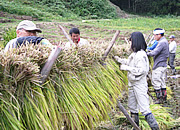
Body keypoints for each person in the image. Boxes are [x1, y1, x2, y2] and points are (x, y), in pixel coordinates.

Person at [114, 32, 159, 130]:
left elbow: (141, 70)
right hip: (132, 84)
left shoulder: (141, 55)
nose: (131, 43)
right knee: (132, 107)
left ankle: (155, 128)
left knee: (144, 108)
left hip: (139, 84)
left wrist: (126, 68)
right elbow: (130, 62)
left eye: (132, 41)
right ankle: (136, 127)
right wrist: (119, 60)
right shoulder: (135, 54)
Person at [147, 28, 169, 104]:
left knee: (156, 81)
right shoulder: (164, 41)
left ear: (159, 35)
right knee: (162, 81)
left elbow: (155, 52)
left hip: (159, 65)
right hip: (163, 65)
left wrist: (146, 53)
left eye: (155, 35)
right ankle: (164, 98)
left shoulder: (162, 42)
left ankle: (159, 99)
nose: (154, 37)